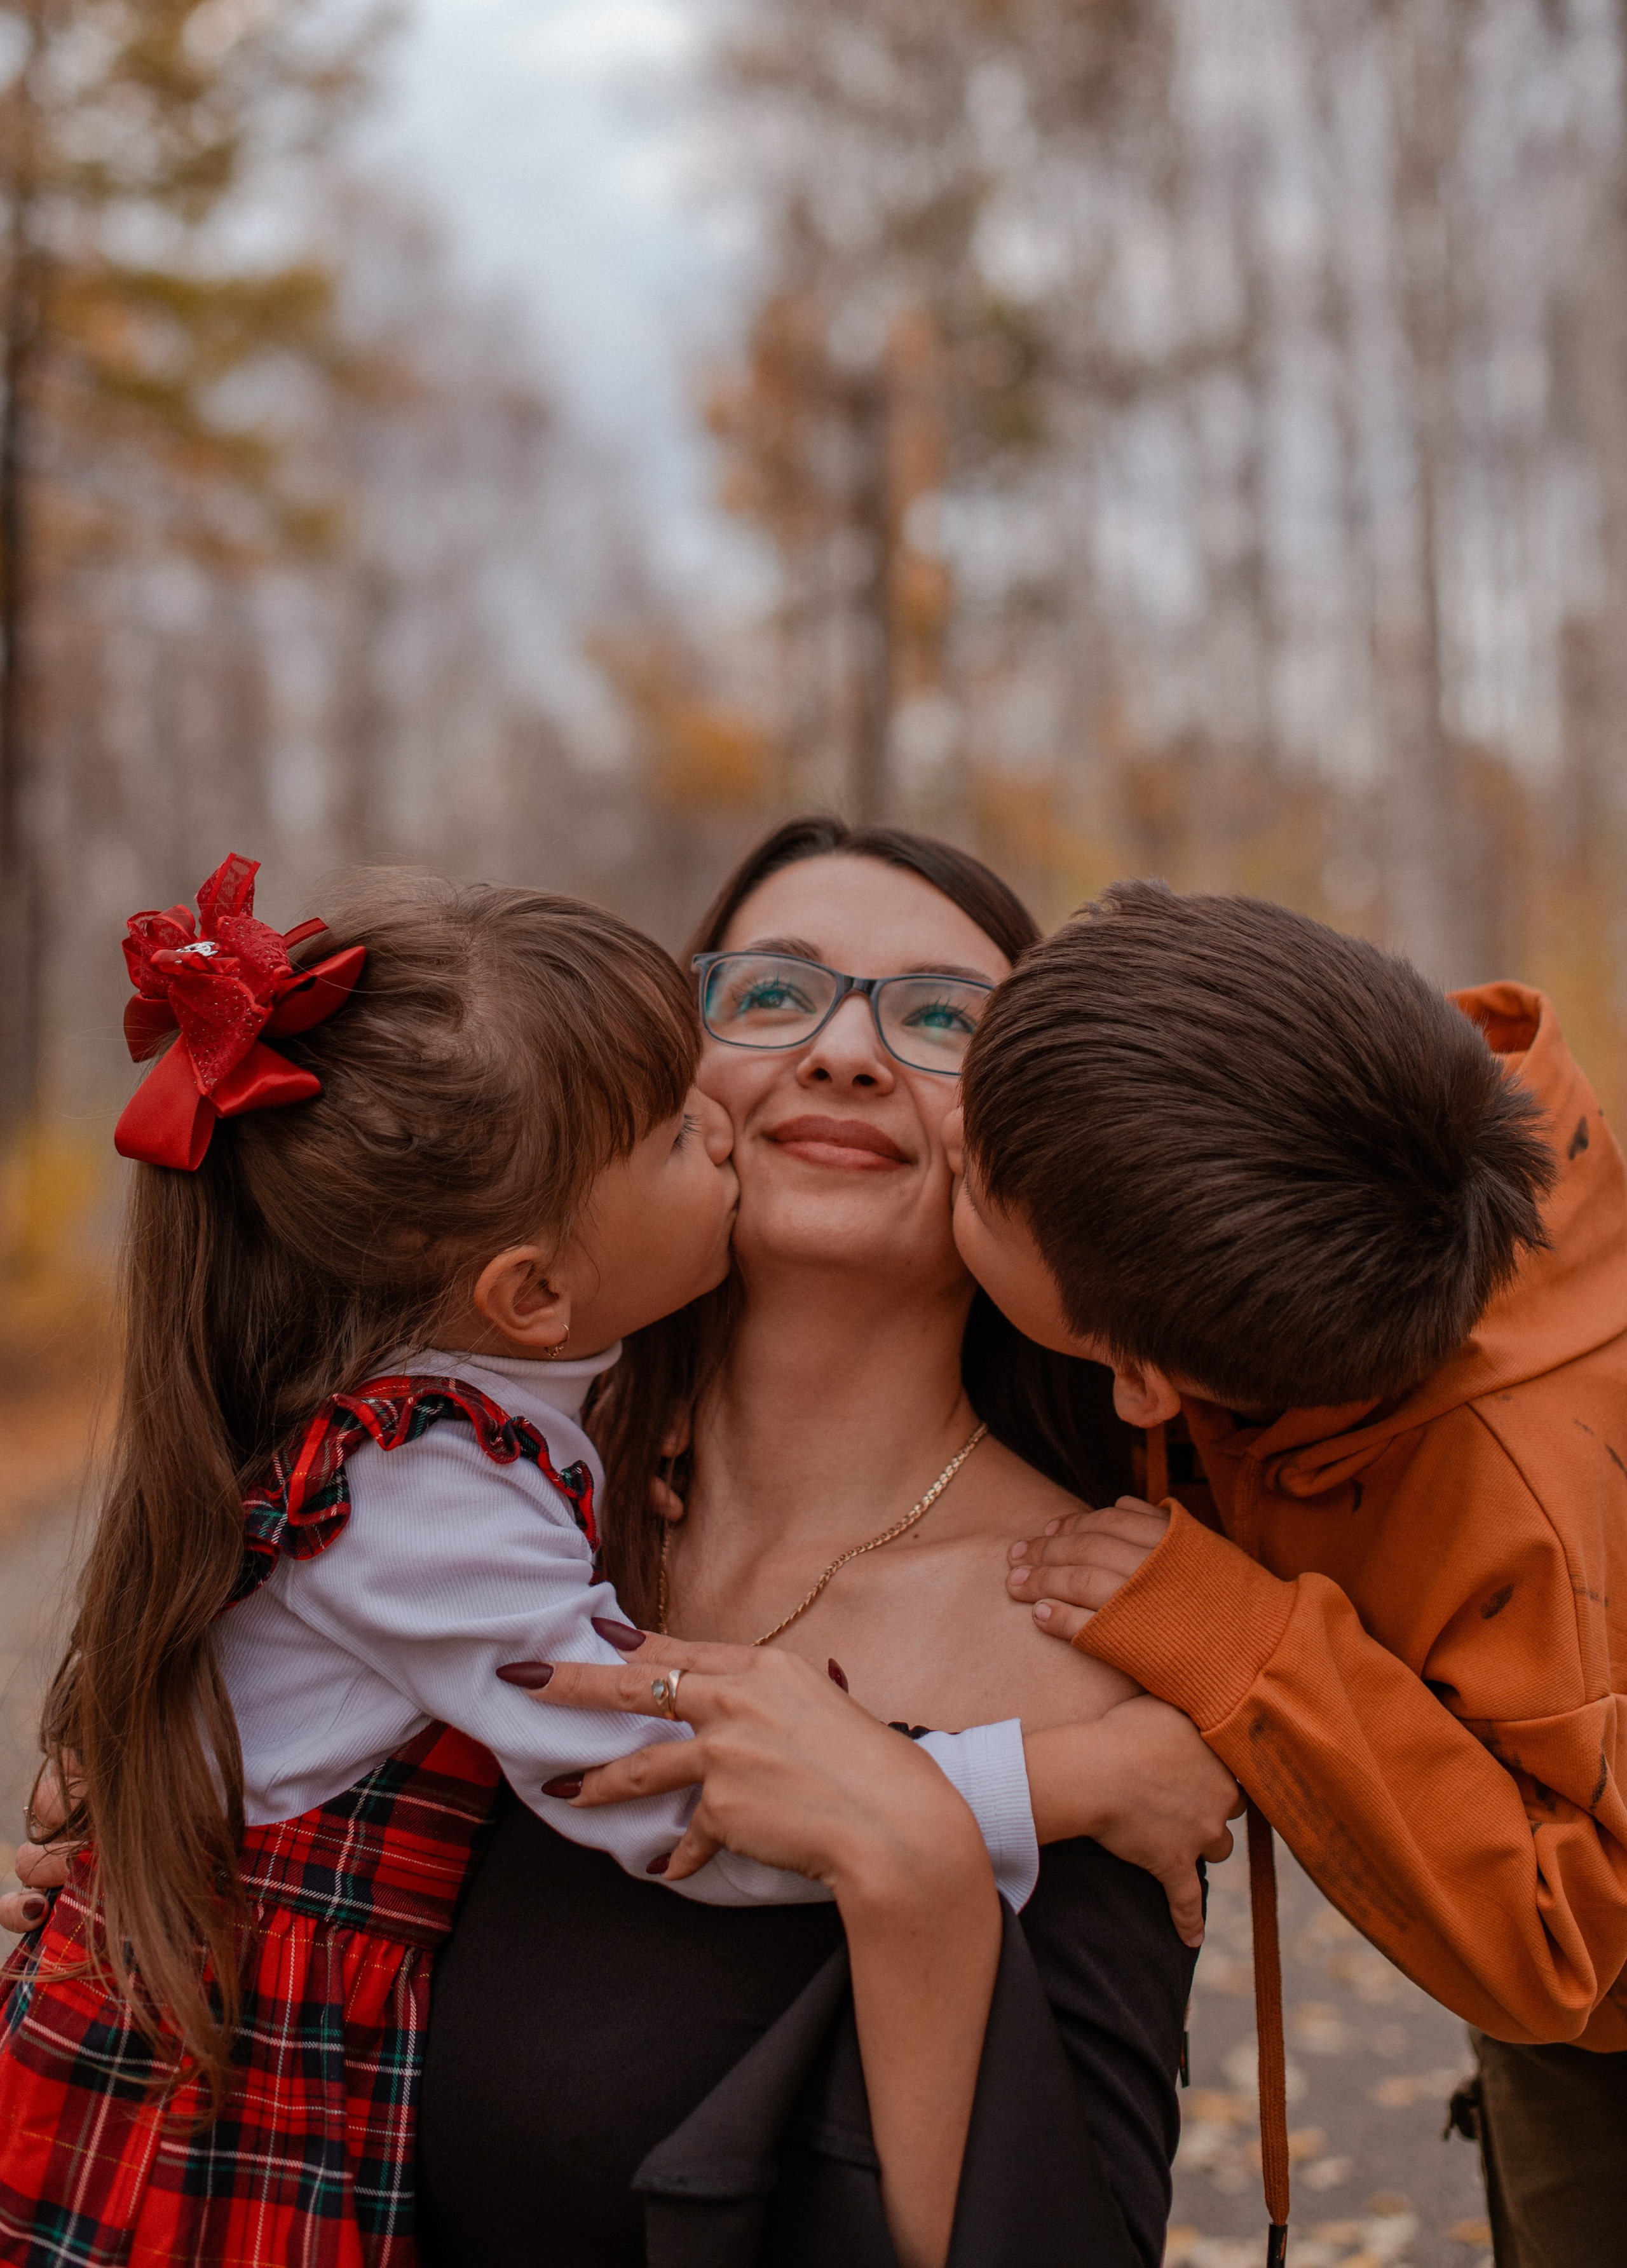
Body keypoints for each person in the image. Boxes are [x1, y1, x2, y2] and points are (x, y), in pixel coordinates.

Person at [0, 854, 1048, 2268]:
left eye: (941, 1016)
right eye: (682, 1130)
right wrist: (1072, 1783)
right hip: (210, 2117)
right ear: (532, 1291)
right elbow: (652, 1798)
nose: (733, 1132)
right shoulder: (433, 1501)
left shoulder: (489, 1435)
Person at [418, 819, 1241, 2268]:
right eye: (771, 992)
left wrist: (915, 1859)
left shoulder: (1086, 1644)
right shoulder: (479, 1515)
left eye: (941, 1020)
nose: (848, 1052)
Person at [946, 878, 1627, 2266]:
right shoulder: (1348, 1154)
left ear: (1144, 1379)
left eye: (969, 1185)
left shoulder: (1524, 1502)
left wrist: (1246, 1643)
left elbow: (1570, 1939)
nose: (940, 1134)